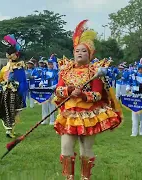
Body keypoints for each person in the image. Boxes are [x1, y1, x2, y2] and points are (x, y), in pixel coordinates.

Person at [53, 20, 122, 180]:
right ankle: (69, 177)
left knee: (86, 148)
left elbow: (98, 94)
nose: (80, 53)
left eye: (84, 51)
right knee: (65, 148)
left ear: (89, 54)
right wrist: (70, 90)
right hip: (69, 114)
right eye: (77, 51)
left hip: (88, 115)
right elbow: (58, 90)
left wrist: (83, 95)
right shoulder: (66, 71)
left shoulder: (94, 72)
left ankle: (85, 178)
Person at [0, 34, 28, 138]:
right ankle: (9, 130)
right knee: (9, 110)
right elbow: (0, 79)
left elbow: (22, 79)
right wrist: (4, 84)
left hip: (14, 91)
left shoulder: (18, 66)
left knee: (13, 111)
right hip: (9, 92)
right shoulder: (9, 67)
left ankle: (10, 130)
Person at [40, 59, 58, 125]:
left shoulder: (56, 72)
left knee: (52, 105)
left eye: (51, 64)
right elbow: (42, 79)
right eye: (49, 64)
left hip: (52, 90)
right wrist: (41, 83)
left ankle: (52, 120)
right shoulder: (44, 71)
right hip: (45, 90)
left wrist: (54, 86)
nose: (50, 65)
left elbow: (58, 81)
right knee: (44, 105)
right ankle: (44, 119)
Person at [126, 64, 142, 136]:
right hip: (134, 96)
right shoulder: (133, 75)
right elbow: (129, 83)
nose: (141, 70)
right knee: (134, 114)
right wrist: (128, 88)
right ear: (138, 69)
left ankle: (141, 131)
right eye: (140, 69)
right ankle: (134, 132)